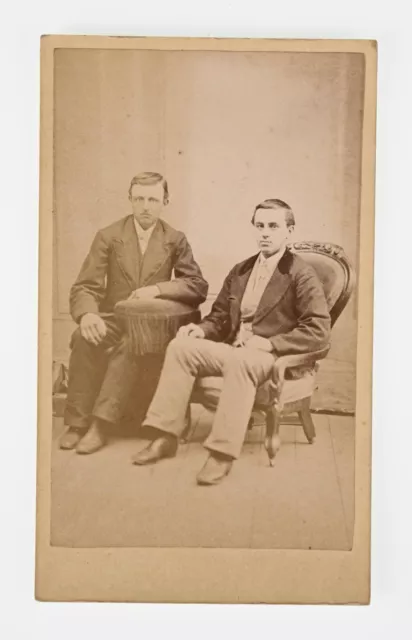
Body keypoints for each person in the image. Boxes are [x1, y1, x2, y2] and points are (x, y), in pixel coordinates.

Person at [132, 198, 331, 485]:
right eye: (259, 225)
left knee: (241, 359)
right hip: (235, 350)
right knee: (180, 347)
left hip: (272, 357)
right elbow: (220, 317)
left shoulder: (300, 274)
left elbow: (318, 330)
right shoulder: (241, 270)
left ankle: (222, 454)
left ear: (289, 231)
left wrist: (271, 343)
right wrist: (200, 330)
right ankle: (165, 435)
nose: (265, 233)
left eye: (273, 226)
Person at [59, 171, 208, 454]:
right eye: (139, 198)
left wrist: (158, 290)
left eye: (153, 199)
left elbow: (196, 286)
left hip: (154, 324)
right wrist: (88, 314)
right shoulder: (109, 236)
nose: (145, 206)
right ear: (129, 200)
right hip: (115, 317)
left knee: (131, 344)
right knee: (82, 336)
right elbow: (84, 286)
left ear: (165, 201)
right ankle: (77, 423)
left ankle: (100, 425)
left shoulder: (175, 239)